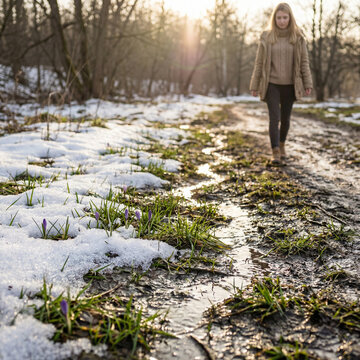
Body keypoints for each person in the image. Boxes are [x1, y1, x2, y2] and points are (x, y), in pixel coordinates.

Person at [249, 2, 313, 164]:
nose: (282, 21)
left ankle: (282, 145)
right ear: (274, 19)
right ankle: (275, 150)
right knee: (274, 118)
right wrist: (254, 85)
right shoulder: (267, 37)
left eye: (285, 17)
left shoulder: (298, 38)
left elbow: (304, 62)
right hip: (272, 84)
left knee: (285, 119)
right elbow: (259, 63)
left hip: (291, 85)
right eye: (279, 18)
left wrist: (307, 83)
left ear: (290, 18)